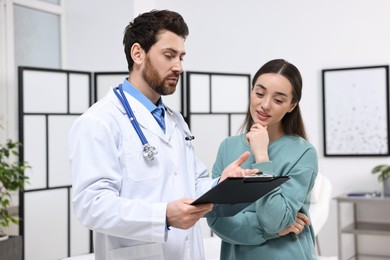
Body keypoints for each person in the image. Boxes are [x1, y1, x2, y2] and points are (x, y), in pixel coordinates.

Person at [68, 9, 257, 260]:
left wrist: (221, 184)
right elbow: (91, 206)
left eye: (181, 57)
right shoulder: (99, 122)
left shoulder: (175, 121)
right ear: (138, 53)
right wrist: (164, 216)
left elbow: (192, 183)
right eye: (169, 55)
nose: (178, 66)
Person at [207, 59, 318, 259]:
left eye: (278, 100)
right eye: (259, 93)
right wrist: (269, 232)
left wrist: (262, 157)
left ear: (292, 105)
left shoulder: (304, 153)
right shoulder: (228, 147)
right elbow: (215, 220)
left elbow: (275, 219)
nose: (264, 105)